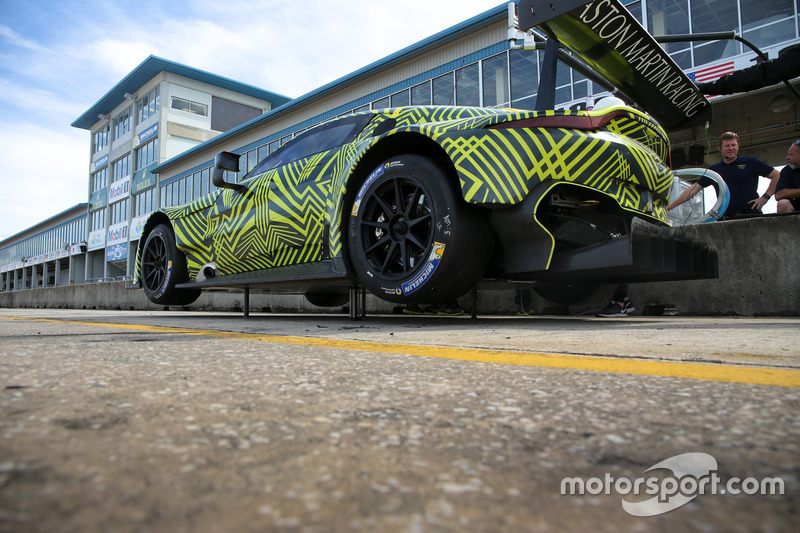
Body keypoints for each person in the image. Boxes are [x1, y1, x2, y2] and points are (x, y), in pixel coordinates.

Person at [667, 132, 780, 219]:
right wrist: (669, 207)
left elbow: (777, 175)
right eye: (727, 146)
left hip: (751, 214)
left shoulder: (751, 162)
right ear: (720, 148)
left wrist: (766, 197)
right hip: (726, 217)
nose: (731, 148)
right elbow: (692, 190)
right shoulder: (714, 170)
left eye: (733, 145)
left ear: (738, 146)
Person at [776, 139, 800, 213]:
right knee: (783, 204)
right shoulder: (787, 170)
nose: (787, 157)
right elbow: (778, 195)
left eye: (791, 154)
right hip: (797, 212)